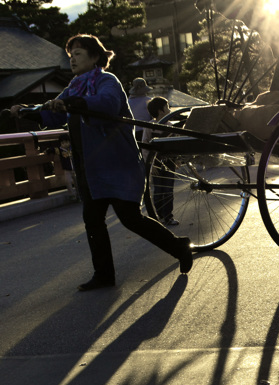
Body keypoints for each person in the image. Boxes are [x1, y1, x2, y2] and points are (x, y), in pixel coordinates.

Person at [11, 34, 192, 291]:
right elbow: (52, 114)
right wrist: (28, 110)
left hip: (117, 164)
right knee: (93, 220)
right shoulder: (74, 86)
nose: (72, 59)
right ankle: (104, 274)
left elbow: (106, 104)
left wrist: (72, 103)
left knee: (130, 218)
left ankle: (178, 246)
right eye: (70, 55)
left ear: (95, 57)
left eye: (78, 54)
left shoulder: (107, 82)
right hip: (89, 167)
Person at [144, 95, 178, 227]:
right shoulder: (150, 127)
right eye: (166, 107)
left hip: (169, 162)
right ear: (160, 111)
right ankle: (159, 216)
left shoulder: (170, 126)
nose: (168, 109)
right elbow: (145, 147)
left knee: (168, 190)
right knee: (158, 191)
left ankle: (168, 216)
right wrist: (150, 165)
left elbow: (175, 145)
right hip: (155, 163)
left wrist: (177, 159)